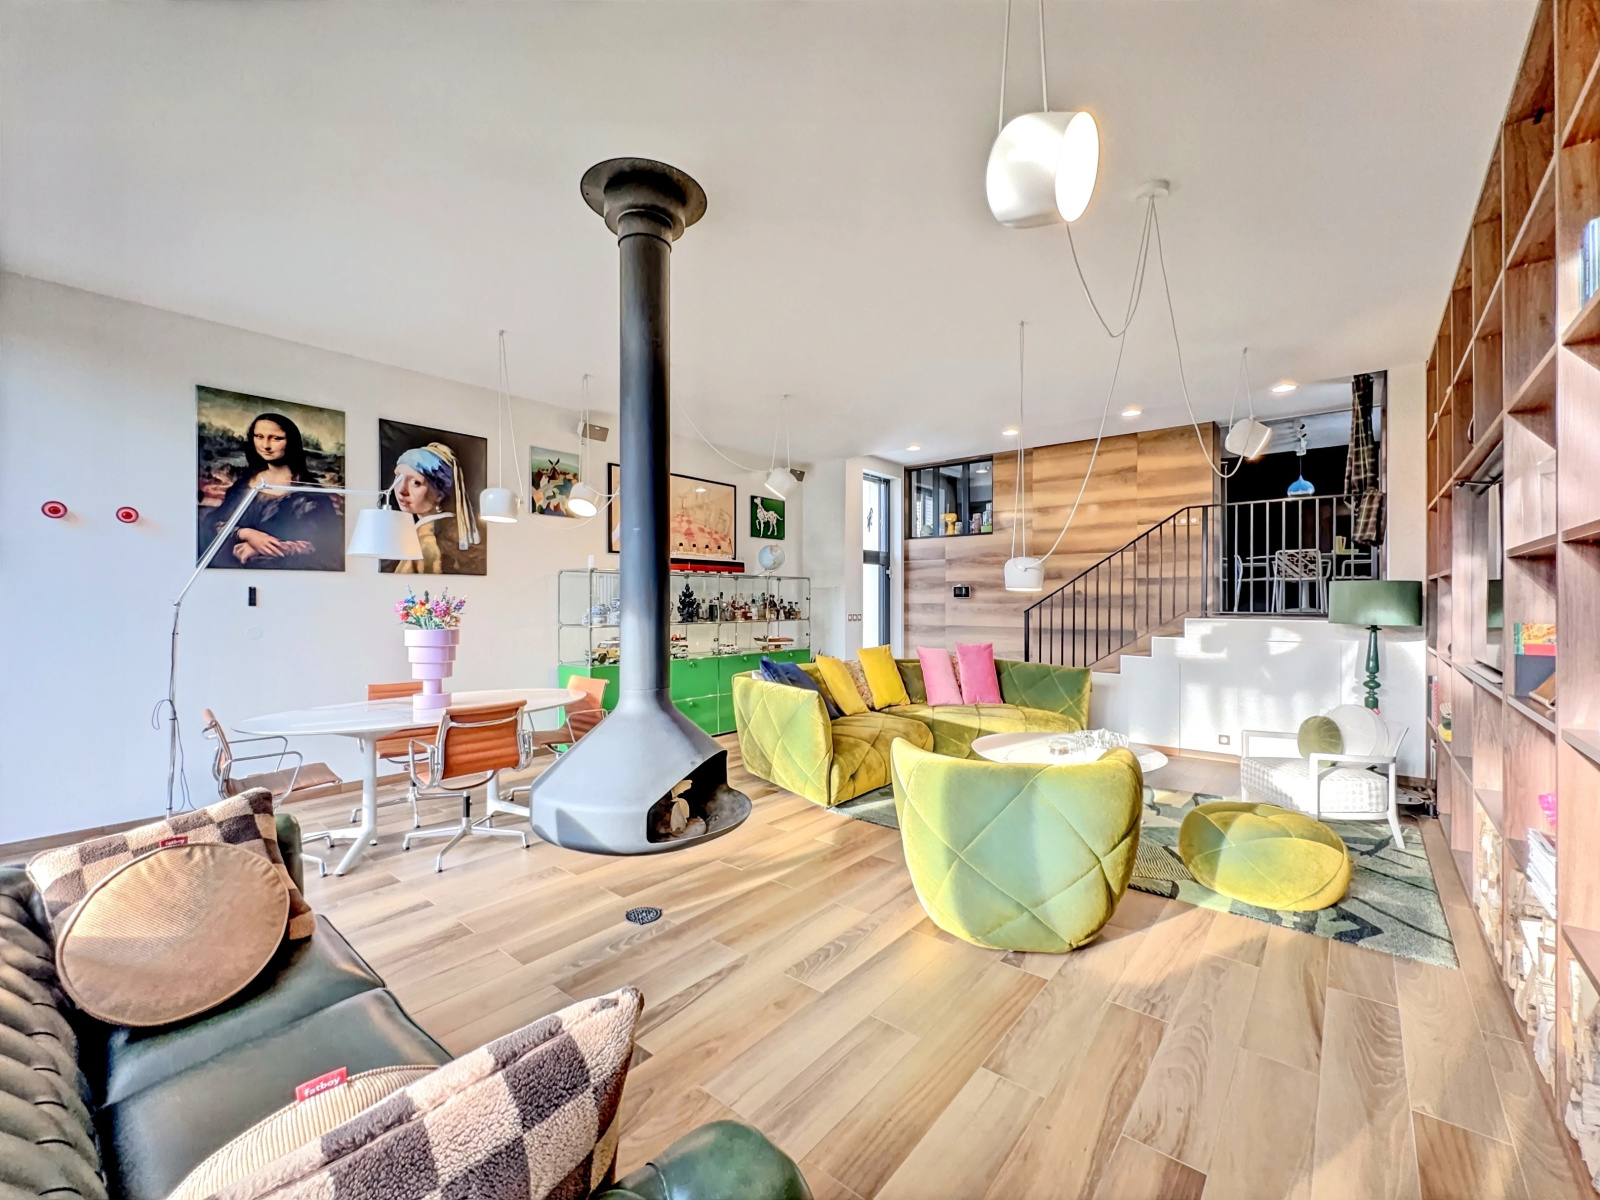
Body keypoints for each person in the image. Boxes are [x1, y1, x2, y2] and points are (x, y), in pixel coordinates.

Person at [200, 413, 343, 570]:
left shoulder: (310, 494)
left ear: (291, 442)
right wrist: (246, 534)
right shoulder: (243, 484)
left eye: (276, 438)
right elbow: (215, 523)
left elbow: (320, 544)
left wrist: (264, 548)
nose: (266, 445)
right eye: (259, 437)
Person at [390, 442, 482, 574]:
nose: (401, 490)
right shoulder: (452, 529)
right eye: (398, 477)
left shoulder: (427, 539)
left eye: (416, 483)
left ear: (439, 494)